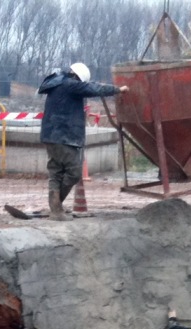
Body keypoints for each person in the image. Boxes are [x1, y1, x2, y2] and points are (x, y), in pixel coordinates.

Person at [38, 62, 127, 220]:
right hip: (63, 136)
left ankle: (55, 208)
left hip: (50, 135)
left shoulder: (57, 82)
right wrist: (117, 90)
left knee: (56, 172)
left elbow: (90, 86)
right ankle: (55, 209)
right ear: (79, 78)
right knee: (74, 172)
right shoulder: (71, 86)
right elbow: (94, 89)